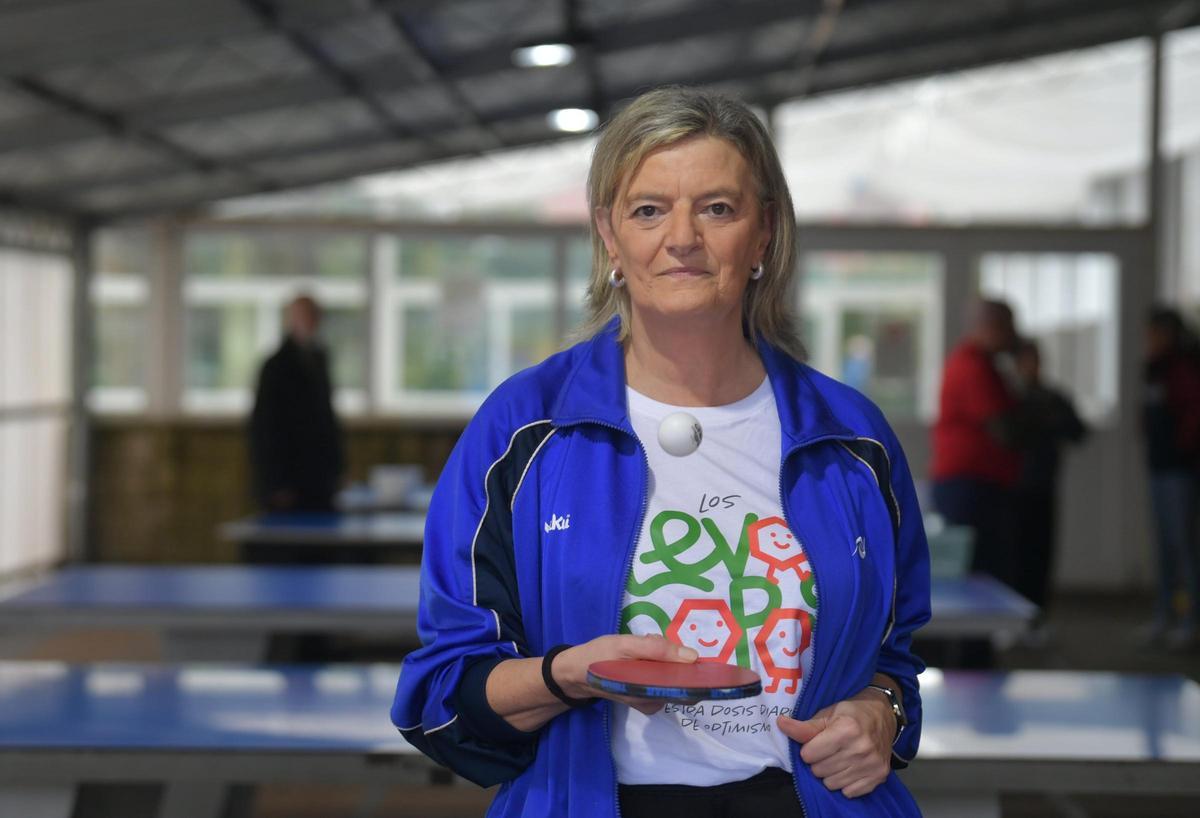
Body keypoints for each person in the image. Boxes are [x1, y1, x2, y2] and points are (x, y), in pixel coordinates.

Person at [391, 86, 930, 817]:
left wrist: (882, 712)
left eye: (717, 208)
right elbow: (440, 691)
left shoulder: (851, 439)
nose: (682, 238)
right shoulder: (523, 431)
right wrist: (566, 675)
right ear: (609, 235)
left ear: (764, 232)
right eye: (649, 210)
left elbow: (895, 659)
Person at [929, 299, 1022, 588]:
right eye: (1008, 327)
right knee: (977, 575)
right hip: (968, 488)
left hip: (979, 485)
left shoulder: (987, 366)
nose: (1014, 335)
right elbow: (1004, 429)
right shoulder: (972, 366)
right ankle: (973, 635)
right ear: (991, 327)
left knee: (986, 570)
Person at [1011, 338, 1087, 628]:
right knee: (1015, 556)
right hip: (1013, 488)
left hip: (1042, 485)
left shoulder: (1053, 398)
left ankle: (1037, 618)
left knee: (1041, 555)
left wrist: (1051, 421)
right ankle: (1015, 619)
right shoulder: (1010, 398)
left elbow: (1078, 431)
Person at [248, 295, 344, 513]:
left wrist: (336, 469)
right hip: (288, 481)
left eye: (314, 317)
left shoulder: (320, 359)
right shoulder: (275, 366)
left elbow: (327, 419)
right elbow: (264, 428)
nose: (310, 322)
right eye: (304, 316)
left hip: (319, 478)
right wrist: (276, 482)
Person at [1142, 306, 1200, 648]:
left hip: (1179, 469)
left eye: (1154, 333)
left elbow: (1192, 415)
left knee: (1184, 546)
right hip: (1159, 467)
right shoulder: (1154, 369)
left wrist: (1181, 448)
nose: (1148, 340)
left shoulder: (1184, 368)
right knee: (1164, 546)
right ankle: (1165, 615)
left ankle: (1190, 620)